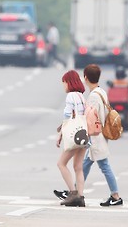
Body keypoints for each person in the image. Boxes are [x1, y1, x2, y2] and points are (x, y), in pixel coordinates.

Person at [83, 63, 123, 207]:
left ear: (85, 77)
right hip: (99, 135)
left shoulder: (93, 96)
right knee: (85, 164)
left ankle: (116, 195)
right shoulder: (101, 92)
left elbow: (92, 118)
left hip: (96, 135)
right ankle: (74, 190)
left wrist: (87, 134)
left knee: (104, 165)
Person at [55, 69, 87, 207]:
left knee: (61, 164)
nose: (63, 86)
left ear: (69, 82)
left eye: (64, 83)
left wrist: (60, 134)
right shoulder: (81, 96)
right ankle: (81, 196)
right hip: (83, 135)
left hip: (74, 135)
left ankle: (73, 193)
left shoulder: (70, 96)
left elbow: (68, 116)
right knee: (78, 167)